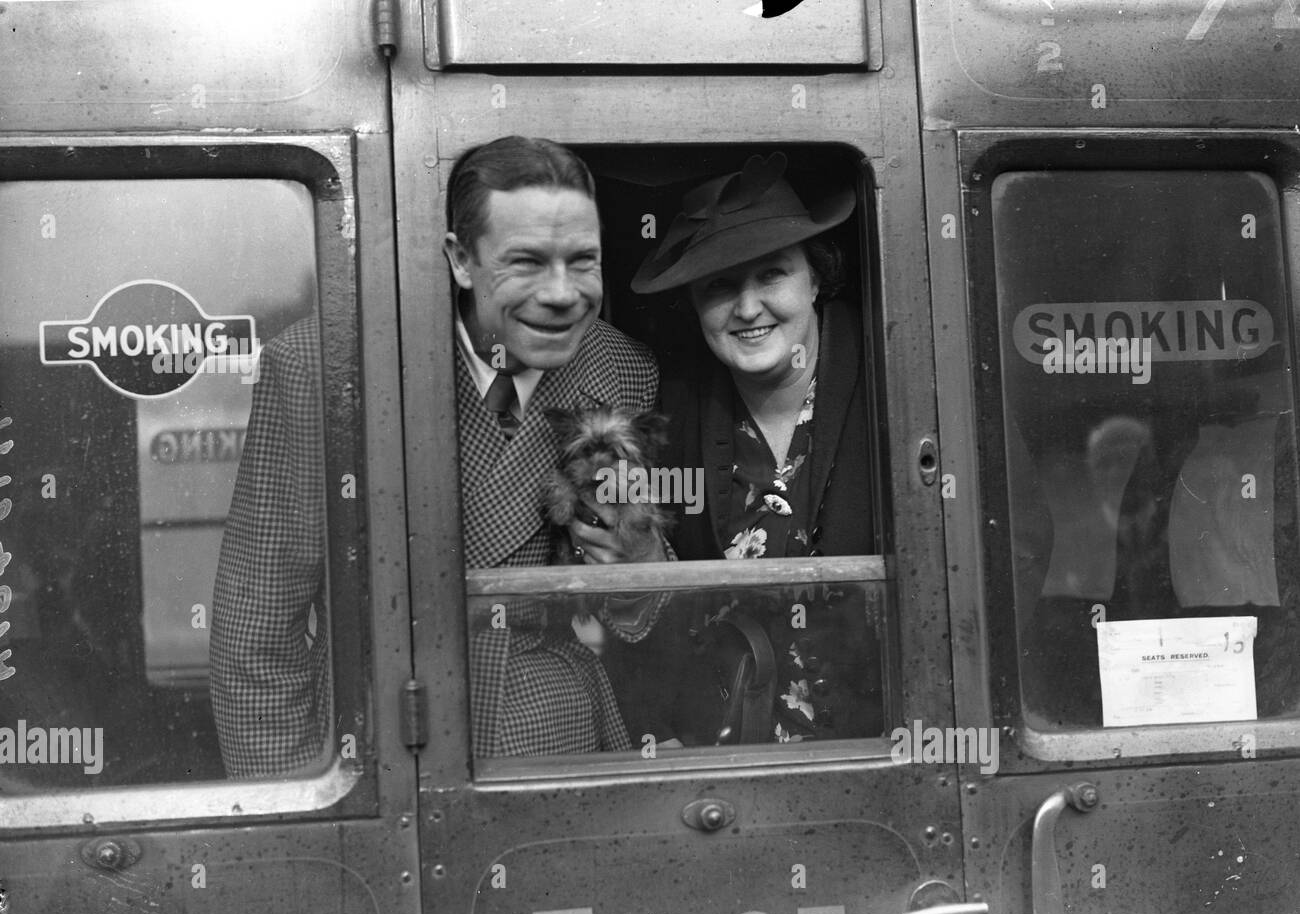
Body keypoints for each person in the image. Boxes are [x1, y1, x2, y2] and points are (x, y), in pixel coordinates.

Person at [211, 136, 666, 777]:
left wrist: (643, 563)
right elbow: (255, 636)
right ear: (460, 259)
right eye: (527, 262)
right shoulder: (322, 366)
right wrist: (301, 821)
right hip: (385, 751)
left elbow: (639, 616)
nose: (563, 293)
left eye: (582, 261)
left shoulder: (621, 369)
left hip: (557, 742)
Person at [620, 151, 879, 745]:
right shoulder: (672, 409)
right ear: (692, 302)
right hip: (725, 762)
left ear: (816, 277)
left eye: (771, 274)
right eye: (719, 285)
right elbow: (651, 620)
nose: (746, 307)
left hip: (880, 754)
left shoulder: (899, 374)